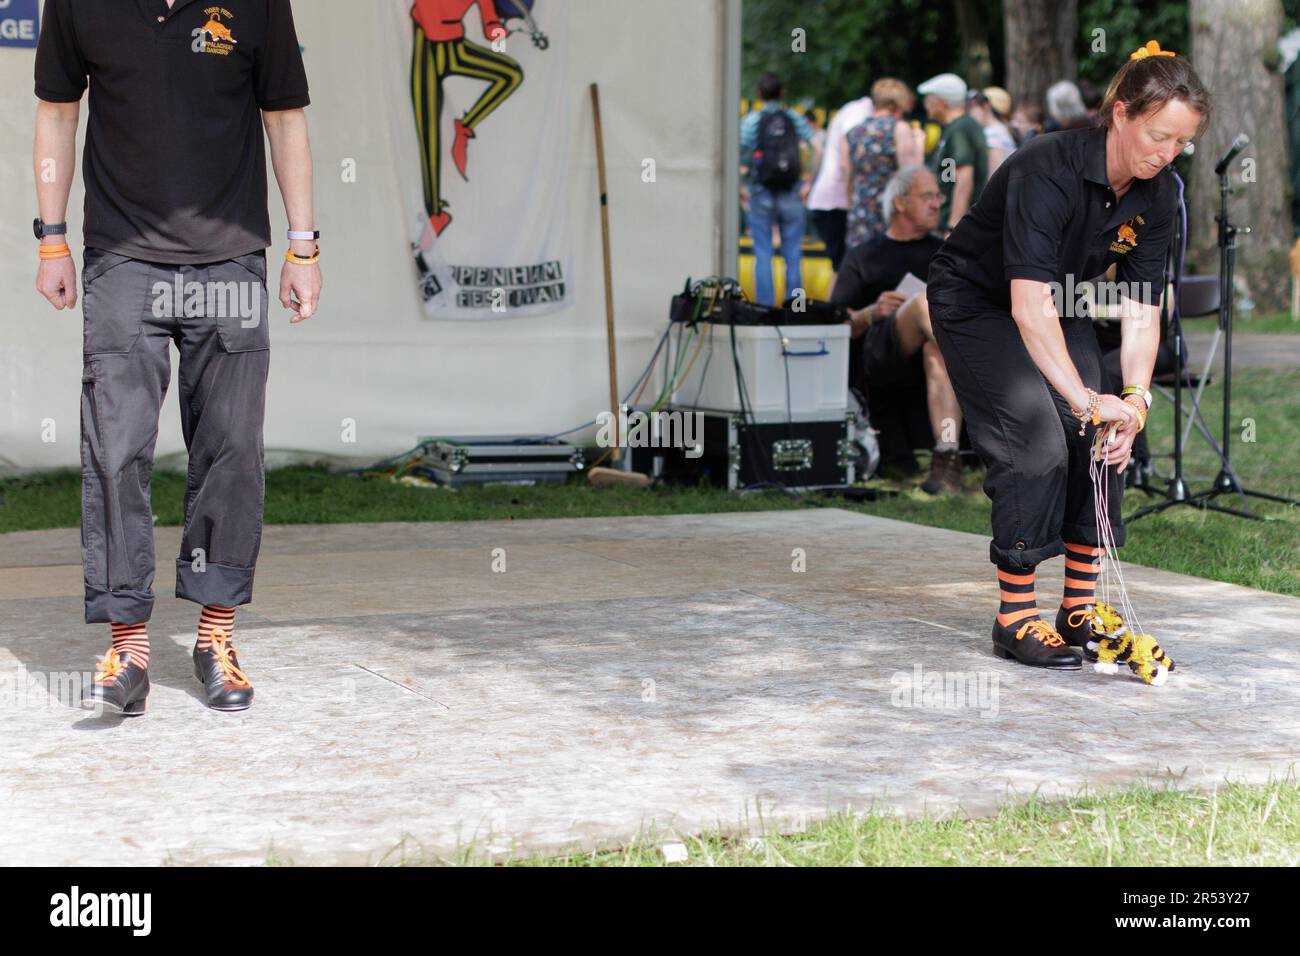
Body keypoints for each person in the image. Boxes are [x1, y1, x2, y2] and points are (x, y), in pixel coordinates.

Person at [33, 0, 320, 714]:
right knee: (116, 448)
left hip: (230, 260)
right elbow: (58, 112)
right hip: (121, 261)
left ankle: (215, 635)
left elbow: (284, 119)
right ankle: (127, 647)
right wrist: (51, 238)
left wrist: (303, 245)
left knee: (230, 449)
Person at [925, 40, 1209, 667]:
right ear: (1121, 113)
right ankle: (1015, 616)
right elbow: (1026, 308)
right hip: (979, 301)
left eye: (1179, 144)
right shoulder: (1044, 167)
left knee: (1104, 434)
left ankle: (1077, 608)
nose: (1165, 154)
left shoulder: (1160, 194)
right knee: (1038, 437)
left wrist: (1132, 402)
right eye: (1157, 135)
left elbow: (1140, 308)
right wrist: (1084, 398)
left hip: (1062, 300)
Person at [832, 166, 963, 494]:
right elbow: (836, 325)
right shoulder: (864, 255)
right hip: (879, 355)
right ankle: (980, 361)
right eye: (927, 196)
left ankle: (947, 458)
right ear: (901, 203)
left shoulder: (945, 251)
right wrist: (872, 313)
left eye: (938, 196)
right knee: (922, 304)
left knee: (937, 349)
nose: (936, 204)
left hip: (938, 349)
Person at [410, 0, 524, 239]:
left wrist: (502, 31)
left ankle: (465, 125)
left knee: (511, 74)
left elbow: (490, 25)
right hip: (426, 48)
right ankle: (435, 214)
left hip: (455, 49)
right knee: (428, 134)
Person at [740, 72, 815, 305]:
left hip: (760, 191)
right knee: (793, 254)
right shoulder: (794, 118)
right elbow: (817, 147)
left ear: (759, 94)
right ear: (782, 93)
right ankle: (795, 308)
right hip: (792, 191)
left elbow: (737, 149)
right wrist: (809, 181)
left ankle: (765, 308)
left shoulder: (752, 120)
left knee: (763, 254)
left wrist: (741, 185)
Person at [842, 78, 924, 248]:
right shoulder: (899, 129)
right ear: (898, 103)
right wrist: (920, 145)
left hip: (860, 211)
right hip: (889, 212)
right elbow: (911, 175)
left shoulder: (853, 132)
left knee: (861, 267)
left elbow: (846, 173)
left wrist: (853, 203)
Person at [806, 90, 875, 274]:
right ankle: (836, 303)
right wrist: (852, 198)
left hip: (827, 200)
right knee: (845, 269)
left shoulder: (851, 110)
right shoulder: (860, 113)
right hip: (836, 202)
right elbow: (846, 158)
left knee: (843, 267)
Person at [919, 72, 988, 235]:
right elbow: (949, 174)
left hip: (954, 225)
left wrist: (953, 225)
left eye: (929, 98)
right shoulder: (953, 129)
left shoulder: (961, 129)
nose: (925, 104)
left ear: (941, 102)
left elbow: (963, 177)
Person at [968, 87, 1017, 174]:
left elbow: (993, 176)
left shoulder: (992, 135)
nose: (970, 112)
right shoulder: (1003, 130)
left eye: (973, 106)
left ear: (986, 106)